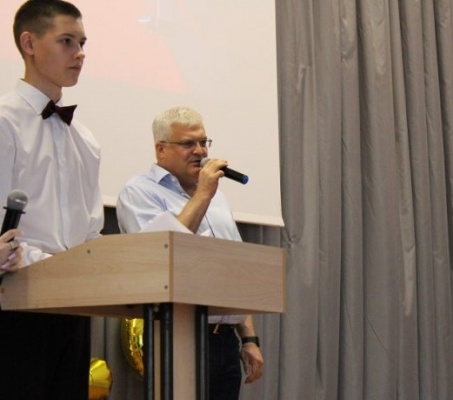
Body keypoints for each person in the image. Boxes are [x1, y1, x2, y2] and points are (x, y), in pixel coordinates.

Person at [116, 106, 264, 399]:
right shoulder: (139, 192)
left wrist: (249, 338)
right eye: (187, 143)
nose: (200, 151)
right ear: (160, 149)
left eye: (203, 142)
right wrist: (204, 193)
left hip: (225, 342)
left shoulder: (217, 198)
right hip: (176, 335)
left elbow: (232, 270)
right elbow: (163, 254)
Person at [0, 1, 104, 399]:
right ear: (29, 43)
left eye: (82, 43)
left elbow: (91, 231)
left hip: (73, 305)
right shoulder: (5, 122)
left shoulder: (86, 140)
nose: (79, 54)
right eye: (66, 41)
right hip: (15, 300)